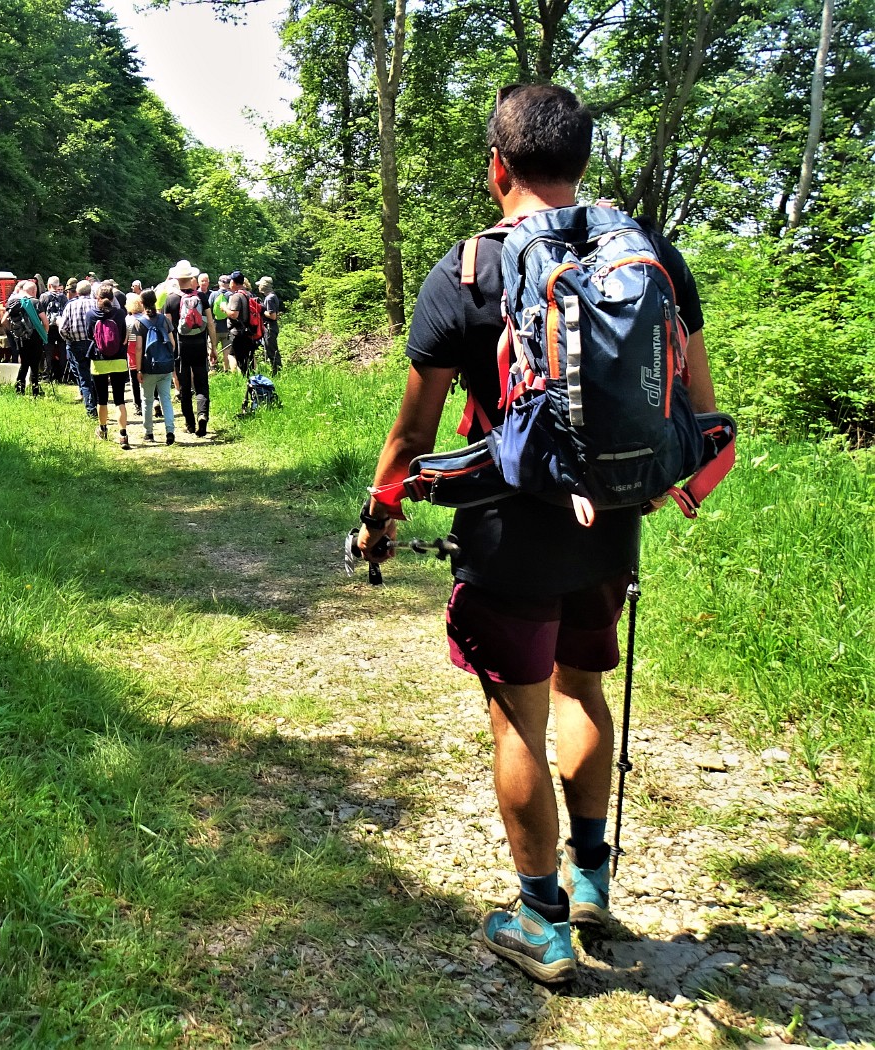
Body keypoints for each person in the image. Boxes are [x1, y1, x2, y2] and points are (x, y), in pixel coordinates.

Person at [358, 84, 717, 985]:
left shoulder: (469, 272)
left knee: (517, 717)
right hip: (611, 521)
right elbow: (701, 411)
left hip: (507, 527)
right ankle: (592, 883)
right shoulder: (648, 257)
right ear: (582, 165)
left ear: (497, 168)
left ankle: (541, 921)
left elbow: (414, 434)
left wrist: (380, 512)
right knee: (583, 692)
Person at [164, 260, 212, 436]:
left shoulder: (170, 299)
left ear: (176, 278)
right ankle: (203, 414)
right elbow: (211, 324)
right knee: (201, 383)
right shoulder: (201, 297)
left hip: (180, 348)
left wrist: (171, 349)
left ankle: (190, 424)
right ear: (192, 277)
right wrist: (213, 347)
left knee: (184, 386)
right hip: (199, 345)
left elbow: (167, 328)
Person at [85, 288, 132, 449]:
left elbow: (90, 335)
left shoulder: (91, 315)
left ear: (97, 298)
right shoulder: (120, 314)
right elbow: (125, 335)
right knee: (120, 399)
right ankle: (123, 435)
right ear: (113, 299)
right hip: (119, 359)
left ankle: (103, 429)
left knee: (102, 399)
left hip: (99, 361)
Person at [136, 288, 176, 445]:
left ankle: (149, 433)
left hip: (148, 368)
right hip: (165, 367)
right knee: (166, 398)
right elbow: (172, 344)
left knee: (147, 400)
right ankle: (170, 431)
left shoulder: (139, 323)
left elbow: (139, 348)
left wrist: (139, 369)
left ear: (141, 303)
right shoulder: (164, 320)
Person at [59, 280, 99, 417]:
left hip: (77, 345)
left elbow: (63, 328)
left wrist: (69, 339)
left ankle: (91, 409)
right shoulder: (97, 304)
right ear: (91, 291)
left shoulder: (70, 306)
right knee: (97, 375)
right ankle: (100, 403)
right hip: (95, 345)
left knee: (84, 377)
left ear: (77, 292)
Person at [6, 280, 48, 396]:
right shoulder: (35, 302)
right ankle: (35, 391)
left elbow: (4, 320)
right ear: (34, 291)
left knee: (24, 364)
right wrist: (44, 335)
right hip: (35, 337)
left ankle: (19, 390)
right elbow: (45, 322)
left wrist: (13, 332)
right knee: (34, 365)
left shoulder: (13, 302)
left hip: (20, 338)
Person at [224, 271, 257, 376]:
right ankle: (252, 380)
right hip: (250, 331)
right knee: (248, 358)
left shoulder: (236, 296)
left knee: (237, 358)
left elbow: (234, 314)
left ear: (233, 282)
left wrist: (224, 308)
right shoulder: (249, 294)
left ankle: (241, 381)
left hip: (239, 333)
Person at [40, 277, 68, 382]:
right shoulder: (64, 297)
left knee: (48, 351)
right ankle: (62, 376)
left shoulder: (44, 296)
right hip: (60, 327)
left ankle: (46, 376)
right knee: (62, 351)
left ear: (49, 285)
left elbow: (40, 312)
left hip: (48, 327)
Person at [125, 292, 145, 418]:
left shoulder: (127, 320)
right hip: (143, 348)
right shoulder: (144, 318)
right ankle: (152, 401)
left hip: (131, 349)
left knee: (134, 380)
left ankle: (138, 404)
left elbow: (125, 339)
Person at [258, 276, 283, 376]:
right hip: (271, 327)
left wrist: (261, 310)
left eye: (260, 285)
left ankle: (276, 372)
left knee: (271, 350)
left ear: (264, 286)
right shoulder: (272, 296)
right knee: (272, 349)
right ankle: (276, 370)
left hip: (270, 328)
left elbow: (272, 316)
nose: (258, 287)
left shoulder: (269, 298)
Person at [210, 274, 232, 371]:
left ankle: (213, 368)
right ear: (228, 284)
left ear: (219, 283)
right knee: (226, 349)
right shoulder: (231, 295)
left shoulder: (213, 294)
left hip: (215, 327)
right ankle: (226, 370)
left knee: (212, 347)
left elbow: (209, 310)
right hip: (227, 327)